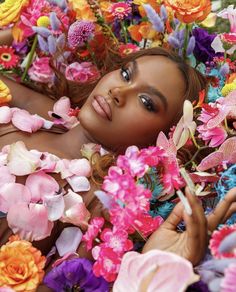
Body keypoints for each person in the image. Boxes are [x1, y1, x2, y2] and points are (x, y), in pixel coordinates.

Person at [0, 42, 236, 291]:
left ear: (168, 138)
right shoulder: (41, 113)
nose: (119, 91)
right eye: (126, 74)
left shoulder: (98, 212)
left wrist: (153, 267)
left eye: (146, 102)